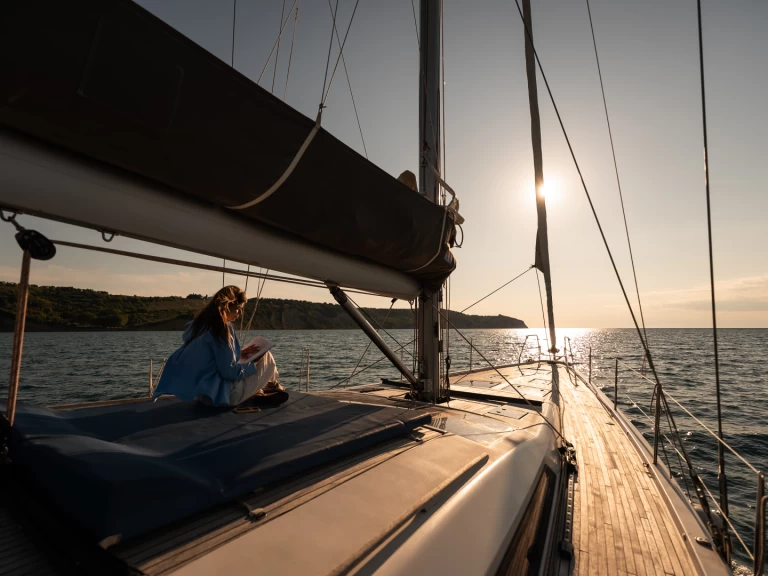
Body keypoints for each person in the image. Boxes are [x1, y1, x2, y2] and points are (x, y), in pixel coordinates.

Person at [153, 285, 283, 406]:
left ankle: (260, 391)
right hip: (224, 397)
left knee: (250, 361)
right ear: (227, 306)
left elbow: (211, 359)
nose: (239, 313)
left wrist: (240, 353)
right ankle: (272, 387)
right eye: (238, 308)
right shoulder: (222, 329)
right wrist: (252, 365)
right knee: (267, 357)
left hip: (203, 396)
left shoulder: (198, 326)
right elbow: (229, 372)